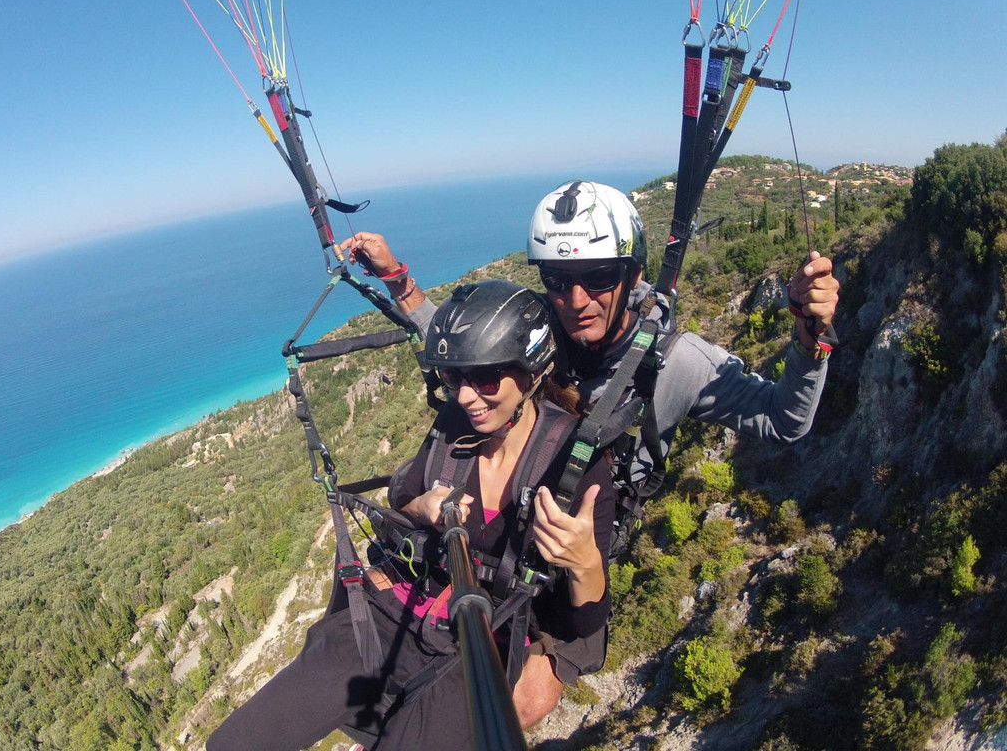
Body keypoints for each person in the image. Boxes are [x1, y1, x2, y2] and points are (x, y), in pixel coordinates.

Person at [338, 178, 840, 714]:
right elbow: (462, 341)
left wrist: (812, 341)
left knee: (524, 702)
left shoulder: (675, 363)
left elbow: (785, 420)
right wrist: (396, 276)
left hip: (577, 559)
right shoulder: (538, 326)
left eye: (598, 278)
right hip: (504, 525)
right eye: (557, 280)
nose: (575, 301)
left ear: (633, 275)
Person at [206, 280, 615, 751]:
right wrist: (418, 509)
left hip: (479, 647)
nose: (465, 397)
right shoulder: (452, 432)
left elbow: (582, 624)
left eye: (484, 379)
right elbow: (399, 505)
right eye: (453, 378)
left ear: (533, 372)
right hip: (391, 613)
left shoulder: (575, 469)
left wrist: (583, 563)